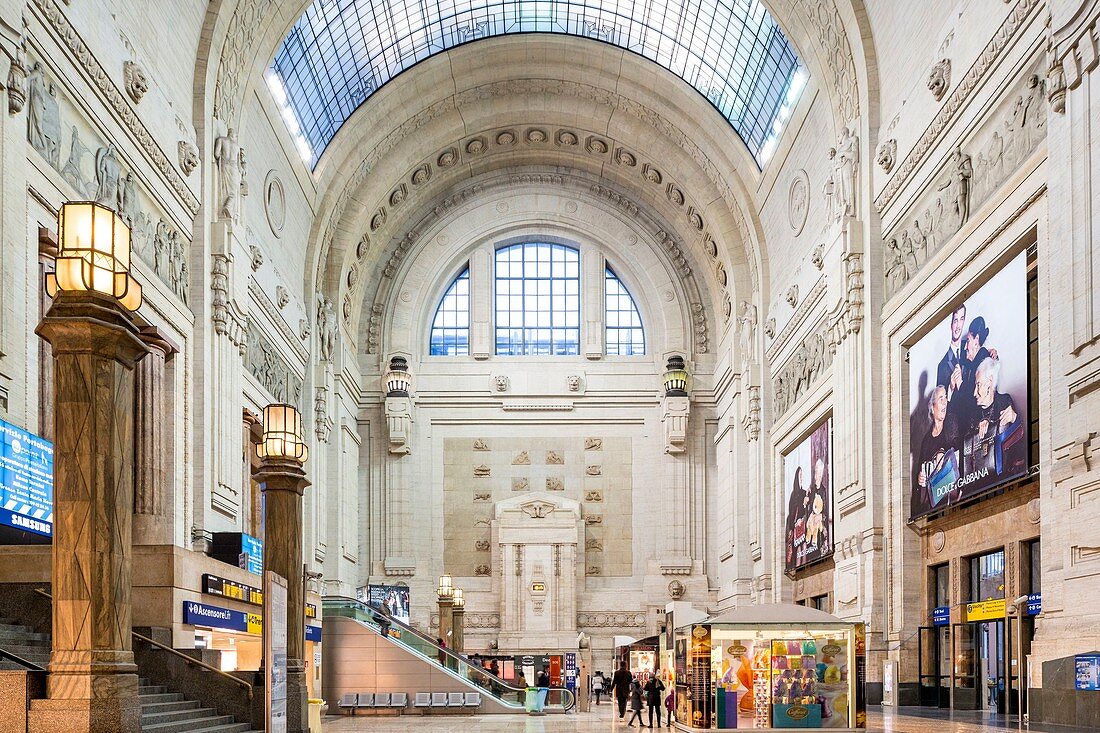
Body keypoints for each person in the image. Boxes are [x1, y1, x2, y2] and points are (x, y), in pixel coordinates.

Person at [915, 384, 962, 511]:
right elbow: (921, 467)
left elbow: (957, 446)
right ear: (932, 406)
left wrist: (941, 451)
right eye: (941, 398)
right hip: (934, 500)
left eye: (945, 397)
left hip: (952, 491)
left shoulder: (951, 421)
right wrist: (920, 477)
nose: (944, 402)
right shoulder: (926, 440)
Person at [936, 304, 967, 399]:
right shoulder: (942, 365)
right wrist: (951, 388)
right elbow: (939, 401)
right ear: (950, 324)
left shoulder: (970, 347)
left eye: (961, 319)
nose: (958, 326)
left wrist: (990, 352)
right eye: (955, 320)